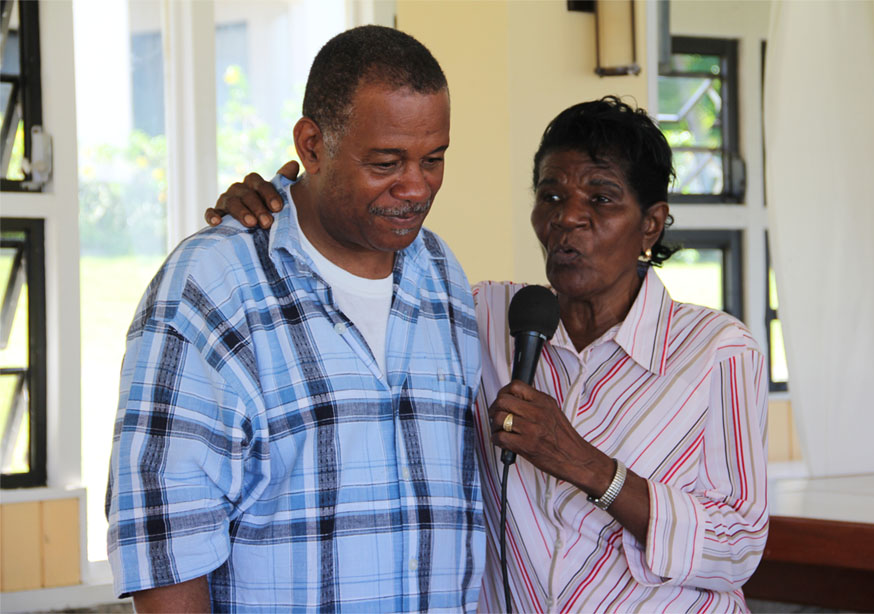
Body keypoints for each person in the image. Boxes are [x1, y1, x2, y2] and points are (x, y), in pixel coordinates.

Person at [211, 96, 769, 611]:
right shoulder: (478, 315)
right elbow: (361, 260)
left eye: (601, 198)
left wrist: (587, 466)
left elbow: (739, 545)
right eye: (551, 196)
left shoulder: (716, 351)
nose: (567, 218)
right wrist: (282, 204)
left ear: (650, 223)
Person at [106, 26, 484, 613]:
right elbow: (167, 539)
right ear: (311, 145)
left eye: (433, 160)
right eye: (386, 162)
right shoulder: (211, 287)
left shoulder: (443, 276)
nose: (416, 187)